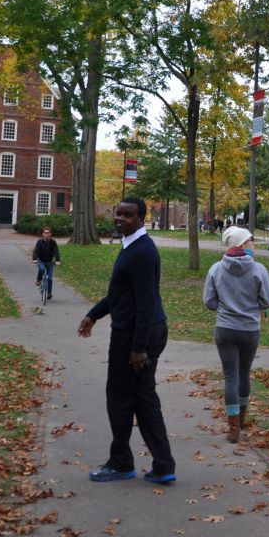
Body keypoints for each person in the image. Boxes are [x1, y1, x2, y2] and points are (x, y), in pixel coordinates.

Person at [78, 197, 176, 485]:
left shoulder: (142, 252)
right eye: (118, 213)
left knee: (121, 398)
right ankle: (163, 465)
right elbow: (121, 294)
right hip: (138, 332)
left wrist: (138, 348)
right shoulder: (132, 246)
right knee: (142, 399)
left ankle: (121, 463)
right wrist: (94, 314)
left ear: (142, 219)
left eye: (128, 215)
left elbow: (146, 302)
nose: (120, 218)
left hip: (135, 336)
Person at [204, 226, 269, 443]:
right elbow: (267, 301)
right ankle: (241, 420)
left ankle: (233, 427)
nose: (253, 243)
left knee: (230, 377)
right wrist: (249, 306)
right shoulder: (259, 269)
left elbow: (209, 301)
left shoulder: (216, 268)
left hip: (225, 328)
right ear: (242, 243)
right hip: (249, 329)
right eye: (251, 239)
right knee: (243, 374)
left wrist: (227, 306)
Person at [32, 226, 61, 300]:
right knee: (41, 269)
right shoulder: (39, 242)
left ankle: (49, 293)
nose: (47, 234)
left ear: (50, 234)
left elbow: (56, 252)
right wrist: (34, 259)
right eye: (45, 233)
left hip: (49, 262)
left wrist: (57, 260)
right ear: (43, 234)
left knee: (50, 278)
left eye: (48, 233)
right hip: (41, 260)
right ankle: (38, 280)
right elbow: (36, 251)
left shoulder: (53, 242)